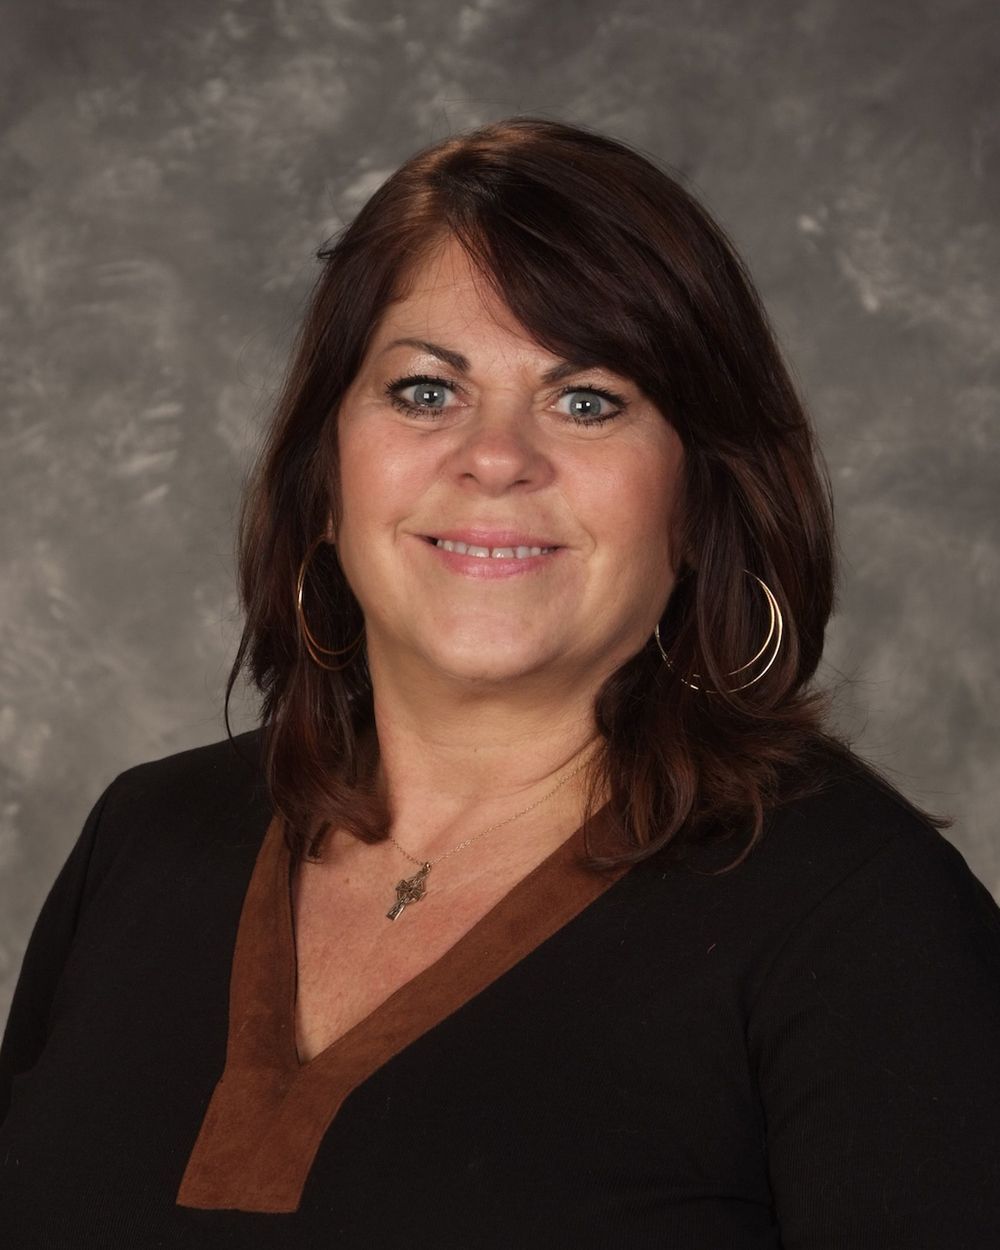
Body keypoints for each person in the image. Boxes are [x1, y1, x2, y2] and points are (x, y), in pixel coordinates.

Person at [1, 117, 998, 1249]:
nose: (495, 456)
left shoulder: (860, 913)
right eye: (426, 390)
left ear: (701, 497)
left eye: (588, 400)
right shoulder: (144, 838)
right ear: (324, 474)